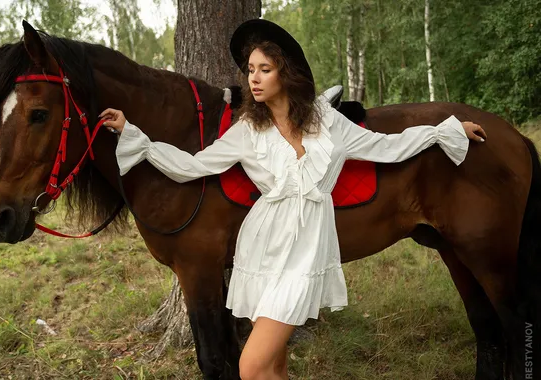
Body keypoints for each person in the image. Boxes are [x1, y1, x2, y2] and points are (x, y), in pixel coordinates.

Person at [100, 19, 486, 380]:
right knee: (272, 368)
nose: (253, 78)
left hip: (307, 249)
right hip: (263, 249)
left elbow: (386, 146)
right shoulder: (247, 129)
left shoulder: (327, 121)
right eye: (250, 69)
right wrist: (136, 136)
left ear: (285, 72)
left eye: (264, 69)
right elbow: (192, 166)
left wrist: (443, 131)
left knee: (250, 367)